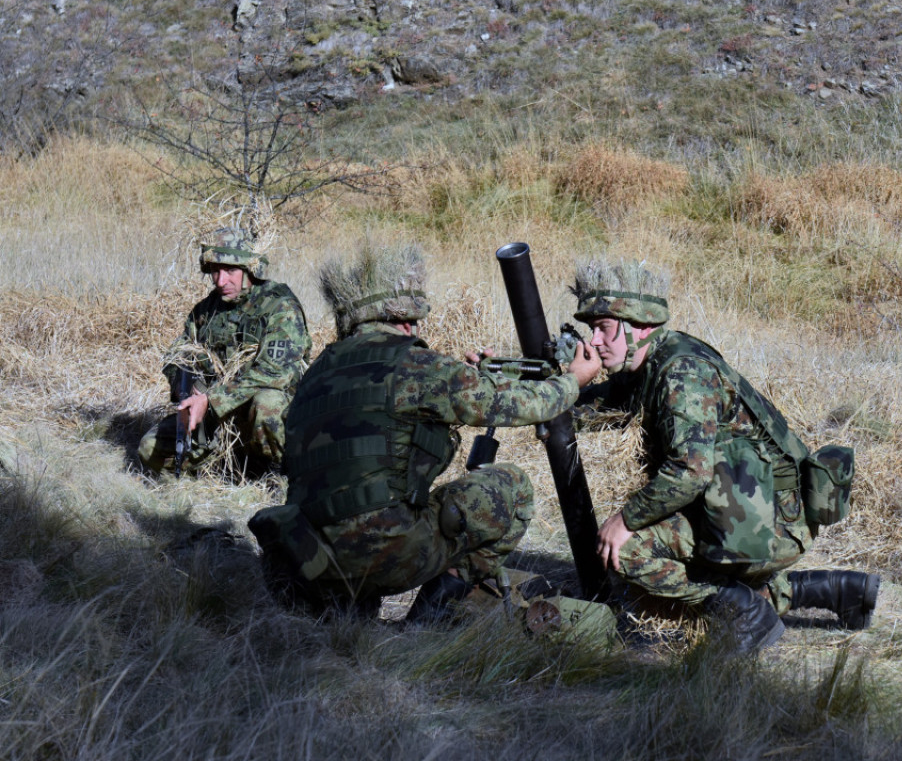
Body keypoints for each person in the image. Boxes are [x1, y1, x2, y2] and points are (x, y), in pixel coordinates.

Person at [247, 246, 600, 620]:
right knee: (511, 487)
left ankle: (346, 610)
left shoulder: (316, 374)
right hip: (384, 555)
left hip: (306, 562)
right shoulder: (413, 364)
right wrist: (572, 382)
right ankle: (428, 620)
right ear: (405, 320)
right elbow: (516, 406)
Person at [571, 259, 878, 654]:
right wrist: (558, 382)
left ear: (640, 326)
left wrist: (624, 520)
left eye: (603, 329)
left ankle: (748, 614)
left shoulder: (681, 372)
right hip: (751, 514)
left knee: (627, 551)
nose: (594, 341)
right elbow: (591, 411)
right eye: (591, 330)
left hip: (773, 525)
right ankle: (835, 591)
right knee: (649, 563)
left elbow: (689, 472)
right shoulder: (656, 359)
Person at [138, 227, 311, 476]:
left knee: (268, 404)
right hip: (217, 420)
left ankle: (280, 475)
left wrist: (211, 400)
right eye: (216, 271)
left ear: (250, 269)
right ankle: (226, 468)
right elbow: (177, 354)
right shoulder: (205, 311)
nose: (221, 281)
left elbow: (272, 374)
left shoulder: (280, 307)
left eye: (230, 271)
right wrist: (186, 387)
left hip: (262, 415)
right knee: (149, 448)